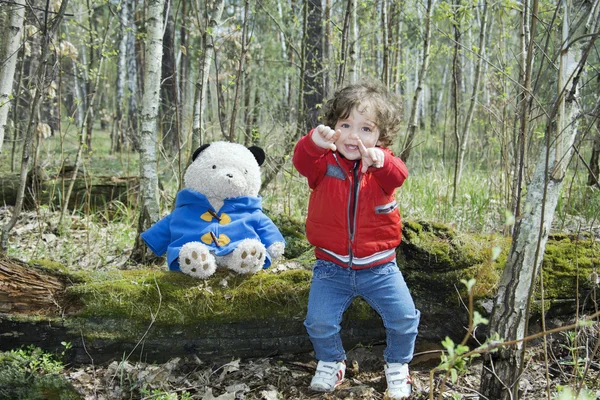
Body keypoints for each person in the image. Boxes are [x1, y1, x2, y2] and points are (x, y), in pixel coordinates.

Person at [292, 81, 420, 399]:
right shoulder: (324, 163)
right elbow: (301, 163)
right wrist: (313, 142)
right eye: (345, 125)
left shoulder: (381, 165)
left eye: (365, 128)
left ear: (380, 136)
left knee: (404, 318)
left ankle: (397, 366)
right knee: (318, 322)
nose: (354, 136)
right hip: (330, 267)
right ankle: (332, 361)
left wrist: (380, 162)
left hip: (380, 267)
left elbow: (399, 176)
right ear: (333, 126)